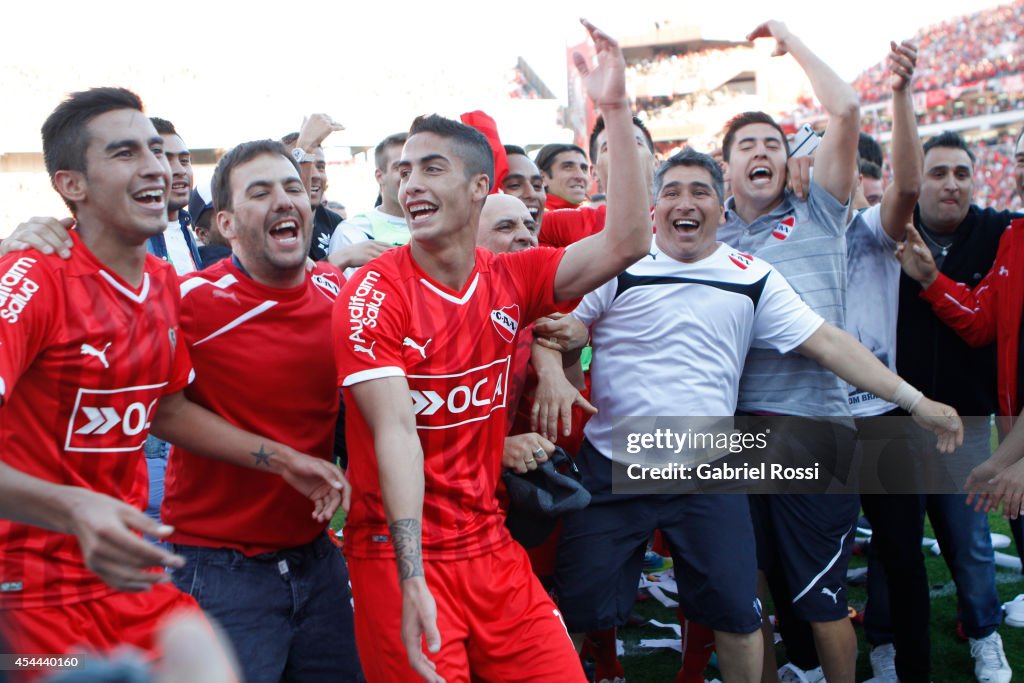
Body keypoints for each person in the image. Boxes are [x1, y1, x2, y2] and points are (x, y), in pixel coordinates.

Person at [546, 148, 961, 683]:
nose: (684, 202)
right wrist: (558, 370)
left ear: (723, 209)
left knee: (739, 617)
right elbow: (555, 328)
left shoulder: (751, 275)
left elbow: (830, 344)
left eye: (700, 192)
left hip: (706, 476)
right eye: (671, 191)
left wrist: (915, 401)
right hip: (614, 469)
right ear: (653, 207)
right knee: (573, 615)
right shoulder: (617, 261)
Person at [331, 19, 651, 682]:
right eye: (404, 170)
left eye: (432, 168)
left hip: (491, 545)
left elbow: (626, 242)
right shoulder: (373, 294)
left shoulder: (511, 276)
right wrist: (412, 576)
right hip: (398, 550)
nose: (410, 183)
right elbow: (394, 433)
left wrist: (615, 110)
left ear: (481, 188)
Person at [0, 87, 203, 663]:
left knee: (203, 659)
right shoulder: (31, 277)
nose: (156, 168)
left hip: (125, 577)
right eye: (125, 153)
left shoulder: (161, 282)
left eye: (157, 150)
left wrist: (280, 458)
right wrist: (72, 507)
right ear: (72, 186)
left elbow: (165, 409)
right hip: (24, 599)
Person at [715, 20, 862, 683]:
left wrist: (789, 39)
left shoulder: (821, 208)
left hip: (814, 430)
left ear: (788, 155)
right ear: (727, 165)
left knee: (823, 600)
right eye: (746, 143)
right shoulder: (708, 235)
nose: (761, 151)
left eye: (772, 142)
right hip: (735, 434)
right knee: (750, 594)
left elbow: (848, 109)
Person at [891, 130, 1017, 683]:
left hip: (967, 421)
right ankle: (883, 641)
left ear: (977, 180)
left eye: (961, 173)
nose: (950, 184)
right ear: (916, 182)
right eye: (937, 173)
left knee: (970, 543)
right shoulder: (883, 229)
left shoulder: (1001, 231)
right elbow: (981, 316)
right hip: (891, 419)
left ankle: (984, 634)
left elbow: (979, 323)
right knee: (894, 545)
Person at [327, 132, 410, 275]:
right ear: (380, 176)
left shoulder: (444, 226)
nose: (411, 176)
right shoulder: (354, 231)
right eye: (401, 169)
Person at [281, 114, 345, 261]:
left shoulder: (337, 225)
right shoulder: (272, 224)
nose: (314, 174)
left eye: (321, 167)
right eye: (302, 163)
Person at [535, 142, 589, 211]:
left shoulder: (597, 215)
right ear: (542, 178)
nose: (581, 176)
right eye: (568, 167)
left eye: (584, 168)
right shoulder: (531, 218)